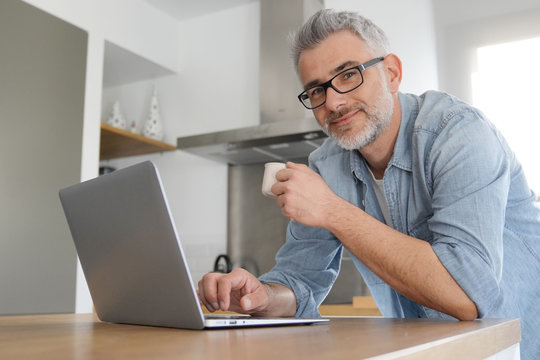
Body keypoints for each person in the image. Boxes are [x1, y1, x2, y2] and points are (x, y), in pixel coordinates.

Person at [197, 9, 539, 358]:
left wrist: (331, 210)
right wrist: (261, 296)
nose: (333, 101)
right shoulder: (326, 165)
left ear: (391, 73)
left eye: (348, 75)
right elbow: (300, 282)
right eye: (316, 90)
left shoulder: (459, 134)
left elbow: (469, 296)